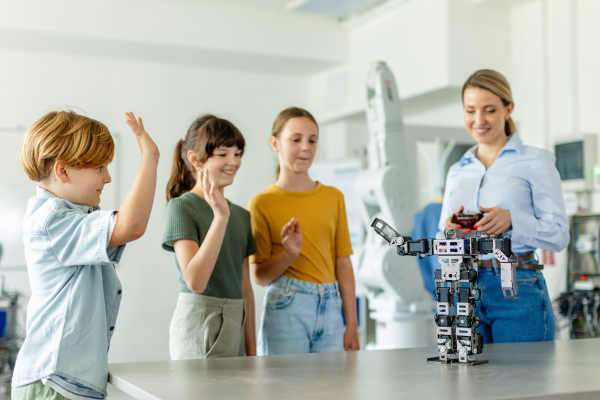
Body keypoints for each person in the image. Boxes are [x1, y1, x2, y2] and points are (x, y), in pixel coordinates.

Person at [12, 110, 160, 399]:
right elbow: (132, 225)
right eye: (99, 168)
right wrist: (149, 158)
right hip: (52, 382)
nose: (107, 178)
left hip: (66, 381)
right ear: (63, 171)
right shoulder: (52, 221)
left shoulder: (74, 217)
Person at [440, 69, 569, 343]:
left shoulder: (536, 161)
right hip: (466, 288)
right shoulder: (457, 171)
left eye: (489, 110)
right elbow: (443, 240)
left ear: (508, 109)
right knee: (471, 385)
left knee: (523, 385)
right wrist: (451, 233)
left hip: (518, 287)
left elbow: (559, 235)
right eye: (470, 111)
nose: (479, 120)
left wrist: (512, 219)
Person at [248, 107, 359, 355]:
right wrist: (289, 253)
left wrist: (352, 325)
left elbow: (343, 264)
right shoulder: (262, 203)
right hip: (287, 307)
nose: (306, 147)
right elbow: (259, 276)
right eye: (296, 139)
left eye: (312, 140)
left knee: (331, 392)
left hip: (331, 308)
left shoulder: (333, 197)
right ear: (275, 143)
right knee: (285, 392)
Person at [162, 115, 256, 359]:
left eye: (237, 154)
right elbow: (196, 282)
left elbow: (245, 288)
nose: (233, 161)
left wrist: (253, 353)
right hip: (198, 323)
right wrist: (220, 217)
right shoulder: (181, 207)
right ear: (195, 159)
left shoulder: (243, 216)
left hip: (236, 322)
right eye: (223, 154)